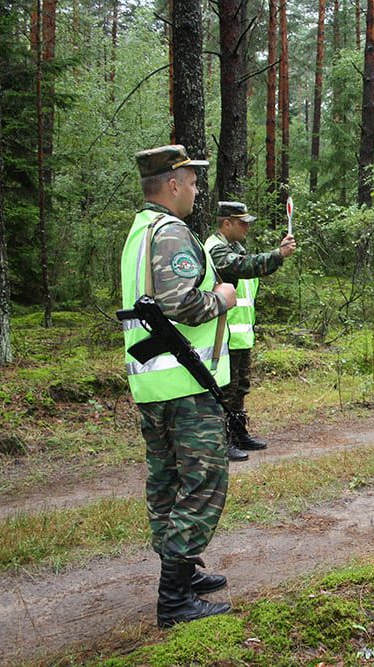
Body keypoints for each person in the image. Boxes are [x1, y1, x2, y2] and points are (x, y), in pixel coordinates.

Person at [120, 144, 235, 629]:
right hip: (185, 384)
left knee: (167, 480)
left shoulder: (138, 233)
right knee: (205, 481)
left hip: (153, 384)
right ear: (171, 184)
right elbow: (181, 303)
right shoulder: (170, 231)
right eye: (190, 180)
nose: (194, 188)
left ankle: (181, 576)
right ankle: (174, 601)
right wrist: (222, 297)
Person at [205, 201, 296, 461]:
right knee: (226, 391)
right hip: (223, 336)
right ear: (226, 223)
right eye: (242, 222)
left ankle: (238, 433)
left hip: (240, 335)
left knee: (240, 389)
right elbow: (244, 266)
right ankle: (223, 441)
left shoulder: (235, 248)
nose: (247, 227)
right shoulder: (215, 250)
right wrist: (278, 254)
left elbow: (249, 268)